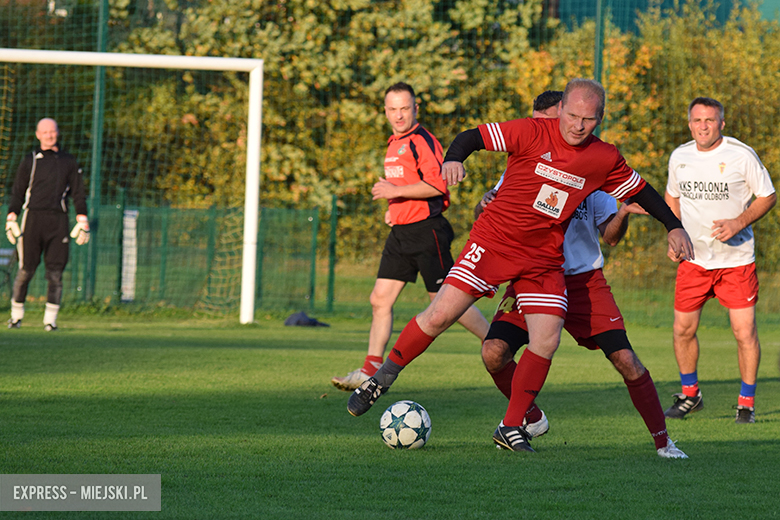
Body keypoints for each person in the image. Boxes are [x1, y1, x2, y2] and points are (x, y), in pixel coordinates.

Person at [348, 78, 694, 453]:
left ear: (600, 118)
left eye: (588, 119)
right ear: (560, 109)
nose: (578, 126)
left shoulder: (604, 157)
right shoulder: (530, 131)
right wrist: (453, 158)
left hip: (542, 258)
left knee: (547, 339)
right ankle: (381, 378)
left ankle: (511, 426)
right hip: (493, 243)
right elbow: (471, 137)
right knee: (439, 316)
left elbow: (642, 191)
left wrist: (673, 226)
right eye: (573, 115)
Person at [473, 91, 685, 458]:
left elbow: (611, 237)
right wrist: (485, 203)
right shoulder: (524, 162)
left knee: (626, 360)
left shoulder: (595, 169)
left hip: (584, 282)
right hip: (533, 275)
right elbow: (484, 209)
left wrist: (622, 215)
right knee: (493, 352)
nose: (571, 126)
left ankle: (664, 442)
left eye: (580, 119)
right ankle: (528, 418)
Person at [331, 82, 489, 391]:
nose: (399, 114)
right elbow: (407, 187)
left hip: (427, 232)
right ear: (386, 111)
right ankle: (369, 370)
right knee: (379, 299)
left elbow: (438, 185)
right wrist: (395, 208)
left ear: (416, 108)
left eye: (405, 108)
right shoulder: (394, 142)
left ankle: (497, 341)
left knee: (446, 304)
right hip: (401, 234)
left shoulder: (421, 140)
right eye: (393, 109)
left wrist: (395, 192)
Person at [664, 97, 776, 424]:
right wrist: (674, 233)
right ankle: (690, 395)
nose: (703, 126)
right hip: (694, 261)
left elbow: (767, 195)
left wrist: (738, 223)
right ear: (689, 123)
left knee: (744, 332)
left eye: (710, 120)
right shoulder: (680, 156)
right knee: (682, 329)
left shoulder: (740, 155)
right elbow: (673, 196)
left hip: (736, 261)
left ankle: (746, 404)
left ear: (721, 124)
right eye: (697, 120)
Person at [5, 118, 90, 331]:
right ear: (38, 134)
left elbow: (78, 193)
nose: (49, 135)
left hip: (58, 220)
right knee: (26, 270)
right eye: (45, 132)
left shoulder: (68, 161)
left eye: (52, 131)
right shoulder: (31, 160)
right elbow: (18, 191)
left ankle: (50, 321)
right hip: (32, 219)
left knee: (55, 273)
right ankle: (16, 317)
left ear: (57, 133)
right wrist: (11, 216)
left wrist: (83, 218)